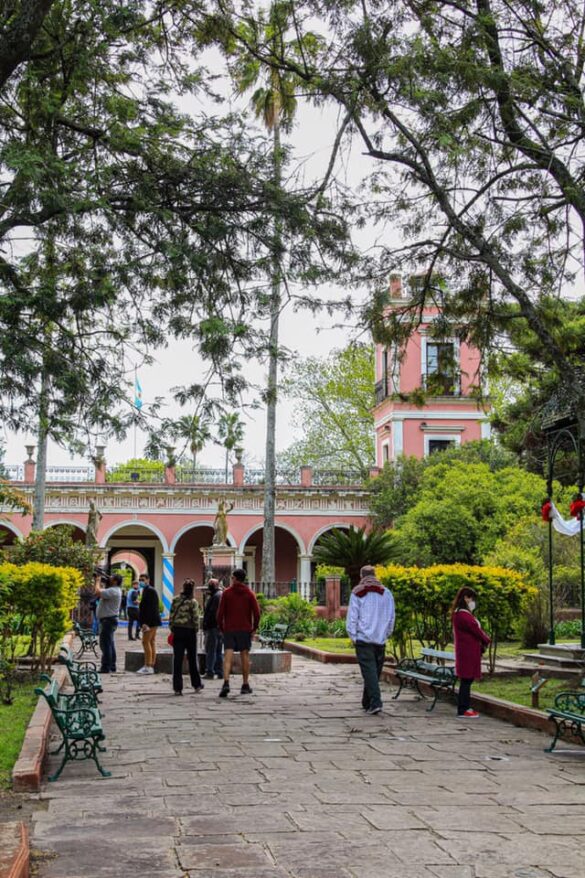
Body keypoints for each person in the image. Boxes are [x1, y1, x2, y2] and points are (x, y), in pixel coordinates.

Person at [346, 565, 395, 715]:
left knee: (370, 672)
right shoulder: (386, 593)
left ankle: (375, 702)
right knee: (374, 672)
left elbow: (352, 617)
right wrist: (387, 633)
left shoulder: (357, 593)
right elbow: (391, 616)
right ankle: (366, 701)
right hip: (380, 639)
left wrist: (353, 636)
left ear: (362, 576)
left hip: (364, 639)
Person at [216, 568, 260, 697]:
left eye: (232, 578)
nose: (231, 580)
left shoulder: (227, 593)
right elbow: (257, 613)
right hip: (244, 629)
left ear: (235, 578)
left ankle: (226, 683)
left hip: (230, 629)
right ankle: (245, 684)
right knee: (245, 657)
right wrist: (254, 628)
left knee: (227, 656)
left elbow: (220, 614)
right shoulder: (250, 593)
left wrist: (221, 627)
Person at [452, 586, 491, 719]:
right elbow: (476, 630)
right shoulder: (463, 615)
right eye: (471, 598)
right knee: (466, 681)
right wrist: (487, 640)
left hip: (466, 652)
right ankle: (463, 709)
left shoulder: (460, 614)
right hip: (467, 652)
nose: (473, 602)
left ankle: (465, 708)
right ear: (466, 598)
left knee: (466, 680)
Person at [168, 579, 204, 695]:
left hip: (178, 631)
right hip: (190, 632)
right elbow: (195, 618)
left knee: (177, 659)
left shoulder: (175, 600)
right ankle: (197, 684)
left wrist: (172, 628)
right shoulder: (193, 602)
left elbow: (171, 616)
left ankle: (177, 688)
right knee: (192, 658)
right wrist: (196, 630)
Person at [94, 572, 123, 674]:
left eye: (111, 577)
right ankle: (112, 666)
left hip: (107, 621)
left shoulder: (113, 591)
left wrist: (97, 580)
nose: (109, 578)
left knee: (105, 645)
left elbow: (97, 592)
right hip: (109, 620)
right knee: (110, 644)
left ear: (115, 581)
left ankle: (105, 667)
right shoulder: (114, 590)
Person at [137, 573, 161, 675]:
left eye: (143, 579)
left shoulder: (150, 590)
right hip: (153, 621)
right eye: (140, 579)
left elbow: (151, 609)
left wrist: (145, 623)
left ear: (148, 580)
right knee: (151, 642)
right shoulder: (147, 590)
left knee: (145, 642)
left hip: (150, 622)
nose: (141, 581)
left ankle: (148, 665)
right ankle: (151, 664)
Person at [202, 578, 223, 680]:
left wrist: (206, 624)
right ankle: (219, 671)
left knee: (211, 650)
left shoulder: (216, 596)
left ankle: (210, 671)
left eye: (210, 584)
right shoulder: (218, 595)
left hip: (213, 627)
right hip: (218, 627)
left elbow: (212, 613)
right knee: (218, 650)